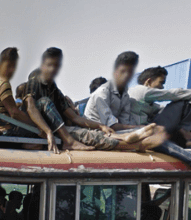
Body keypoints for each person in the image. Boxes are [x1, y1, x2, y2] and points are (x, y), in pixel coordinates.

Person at [84, 51, 191, 171]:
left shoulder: (124, 94)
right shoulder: (101, 94)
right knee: (155, 139)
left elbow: (124, 121)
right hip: (101, 134)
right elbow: (112, 127)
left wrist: (142, 129)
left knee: (156, 133)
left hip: (119, 132)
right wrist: (144, 130)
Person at [26, 47, 166, 152]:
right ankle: (137, 144)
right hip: (48, 129)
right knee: (90, 137)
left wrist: (101, 126)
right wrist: (48, 131)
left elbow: (75, 118)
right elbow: (30, 107)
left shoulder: (54, 90)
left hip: (63, 127)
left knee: (96, 133)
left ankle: (126, 138)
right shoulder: (34, 82)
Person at [0, 47, 79, 153]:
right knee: (42, 140)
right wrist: (39, 126)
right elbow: (14, 113)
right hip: (4, 130)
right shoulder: (4, 83)